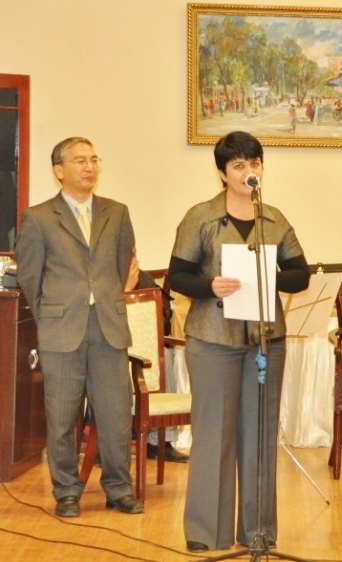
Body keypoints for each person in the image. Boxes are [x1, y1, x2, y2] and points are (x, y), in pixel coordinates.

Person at [168, 130, 310, 553]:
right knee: (214, 435)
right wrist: (211, 285)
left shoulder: (275, 219)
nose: (250, 171)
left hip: (266, 340)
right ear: (222, 173)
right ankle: (206, 531)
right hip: (213, 340)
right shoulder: (200, 217)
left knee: (260, 436)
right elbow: (177, 277)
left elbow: (300, 275)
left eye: (255, 163)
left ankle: (257, 531)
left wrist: (268, 278)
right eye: (239, 165)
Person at [15, 136, 144, 517]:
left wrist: (107, 297)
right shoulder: (38, 218)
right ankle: (67, 491)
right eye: (79, 161)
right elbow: (30, 277)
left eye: (93, 159)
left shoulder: (117, 212)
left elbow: (122, 265)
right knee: (60, 416)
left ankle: (119, 489)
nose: (89, 167)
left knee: (116, 414)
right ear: (59, 170)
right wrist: (52, 314)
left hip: (108, 328)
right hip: (61, 330)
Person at [124, 252, 190, 463]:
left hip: (143, 351)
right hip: (112, 348)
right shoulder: (101, 277)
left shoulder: (144, 280)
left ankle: (161, 443)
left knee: (165, 354)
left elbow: (162, 318)